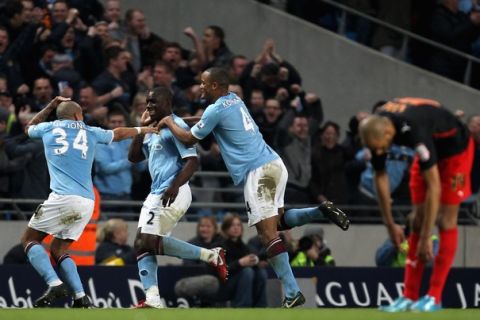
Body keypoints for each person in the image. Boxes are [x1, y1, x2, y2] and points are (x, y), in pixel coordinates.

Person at [158, 67, 350, 308]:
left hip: (257, 172)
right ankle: (320, 211)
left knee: (267, 234)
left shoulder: (215, 109)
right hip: (274, 164)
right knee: (278, 222)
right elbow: (203, 120)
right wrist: (177, 120)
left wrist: (167, 121)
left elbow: (188, 139)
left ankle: (291, 291)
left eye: (205, 83)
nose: (201, 87)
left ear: (216, 86)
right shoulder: (234, 100)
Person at [20, 96, 157, 308]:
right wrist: (143, 129)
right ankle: (80, 297)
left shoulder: (48, 128)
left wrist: (50, 105)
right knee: (59, 249)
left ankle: (54, 283)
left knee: (30, 240)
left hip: (62, 197)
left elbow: (28, 127)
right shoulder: (91, 131)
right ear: (77, 115)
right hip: (86, 201)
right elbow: (118, 133)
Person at [359, 97, 474, 312]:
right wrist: (390, 224)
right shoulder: (377, 132)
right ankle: (409, 296)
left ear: (388, 133)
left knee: (445, 220)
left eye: (383, 147)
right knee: (416, 220)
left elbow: (434, 187)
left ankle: (434, 297)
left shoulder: (414, 132)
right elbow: (380, 175)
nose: (381, 152)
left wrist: (426, 239)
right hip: (430, 150)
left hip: (455, 152)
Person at [128, 86, 228, 309]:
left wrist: (174, 185)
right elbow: (134, 158)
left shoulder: (177, 126)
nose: (149, 106)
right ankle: (153, 298)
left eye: (153, 102)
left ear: (166, 102)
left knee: (146, 241)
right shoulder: (153, 128)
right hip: (156, 192)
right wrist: (142, 129)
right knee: (142, 244)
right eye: (147, 102)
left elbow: (192, 161)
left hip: (174, 190)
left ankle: (210, 256)